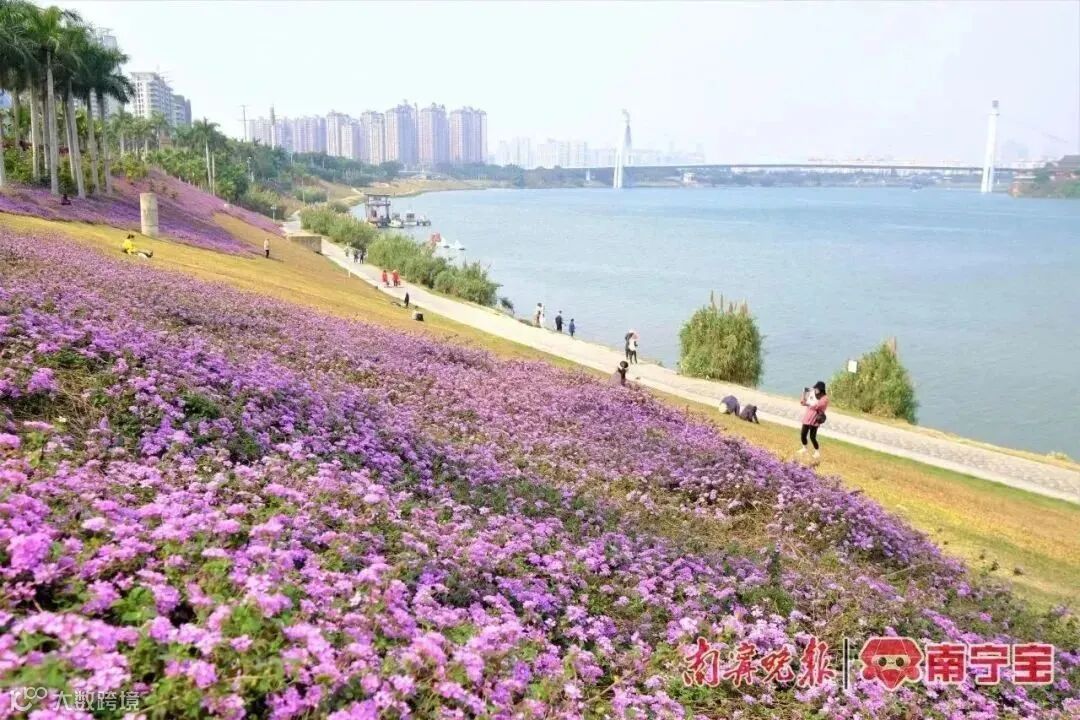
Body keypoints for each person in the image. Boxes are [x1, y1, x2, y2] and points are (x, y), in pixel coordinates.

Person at [799, 381, 829, 458]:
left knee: (812, 437)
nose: (815, 390)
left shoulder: (825, 398)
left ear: (821, 389)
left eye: (816, 389)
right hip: (807, 417)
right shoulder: (813, 395)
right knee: (803, 434)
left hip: (815, 419)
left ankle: (817, 452)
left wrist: (809, 402)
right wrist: (804, 393)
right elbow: (803, 402)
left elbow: (817, 406)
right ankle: (804, 448)